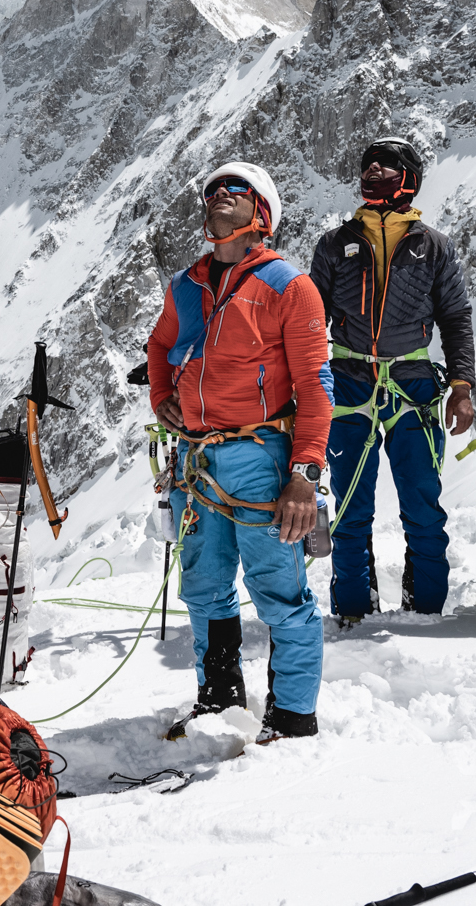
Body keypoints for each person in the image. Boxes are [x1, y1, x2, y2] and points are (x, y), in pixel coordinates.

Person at [145, 162, 333, 740]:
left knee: (278, 588)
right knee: (203, 585)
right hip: (197, 459)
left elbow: (317, 387)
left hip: (263, 456)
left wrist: (304, 474)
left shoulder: (289, 287)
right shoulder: (187, 287)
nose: (218, 197)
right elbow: (159, 346)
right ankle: (219, 699)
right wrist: (161, 399)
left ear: (262, 215)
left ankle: (293, 717)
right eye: (212, 191)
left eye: (235, 191)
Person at [309, 137, 476, 624]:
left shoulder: (434, 247)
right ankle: (354, 611)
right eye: (369, 165)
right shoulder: (335, 245)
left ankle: (425, 612)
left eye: (387, 164)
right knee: (350, 509)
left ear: (409, 177)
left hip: (413, 383)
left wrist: (462, 385)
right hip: (349, 381)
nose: (375, 169)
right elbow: (307, 322)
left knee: (423, 505)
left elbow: (456, 318)